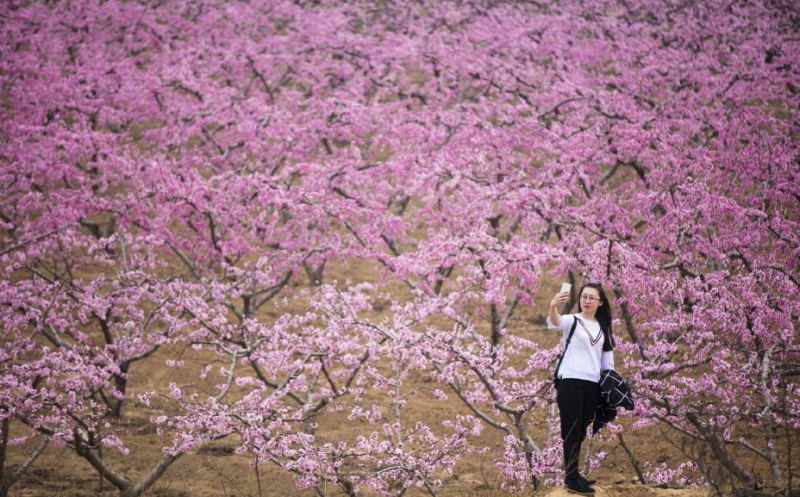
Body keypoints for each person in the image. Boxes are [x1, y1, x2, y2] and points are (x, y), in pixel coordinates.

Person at [547, 281, 615, 496]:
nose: (586, 301)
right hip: (571, 380)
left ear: (600, 303)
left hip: (592, 384)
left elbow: (607, 359)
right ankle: (571, 478)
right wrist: (552, 305)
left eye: (591, 298)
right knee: (571, 428)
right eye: (583, 297)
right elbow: (555, 321)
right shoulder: (572, 321)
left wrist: (611, 381)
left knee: (582, 428)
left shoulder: (603, 327)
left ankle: (574, 474)